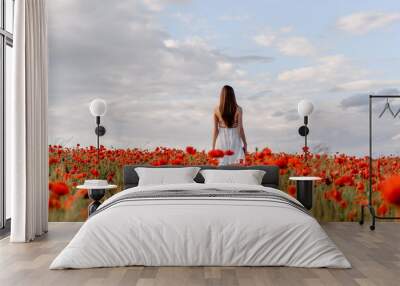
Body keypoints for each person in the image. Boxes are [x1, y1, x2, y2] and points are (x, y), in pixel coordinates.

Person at [212, 85, 247, 165]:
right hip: (235, 139)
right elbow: (240, 128)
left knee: (221, 165)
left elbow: (215, 130)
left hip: (221, 140)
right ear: (233, 95)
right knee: (237, 164)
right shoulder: (238, 109)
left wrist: (213, 146)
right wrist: (245, 143)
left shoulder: (216, 110)